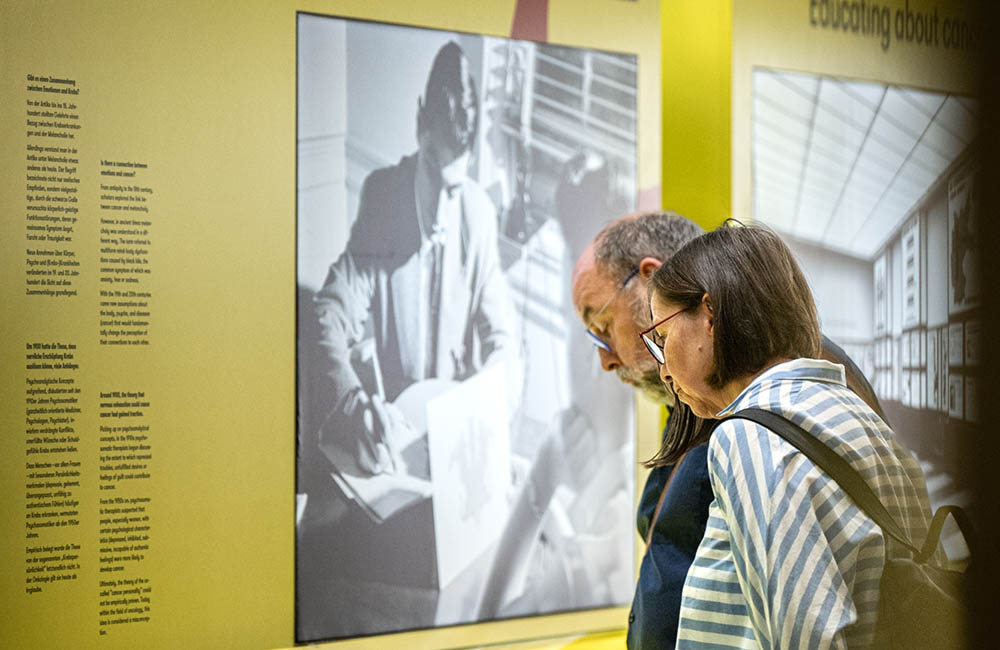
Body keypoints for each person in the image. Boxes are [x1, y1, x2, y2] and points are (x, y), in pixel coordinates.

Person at [571, 211, 887, 649]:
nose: (606, 360)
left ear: (707, 313)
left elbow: (809, 632)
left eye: (603, 328)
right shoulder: (724, 402)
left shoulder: (756, 426)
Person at [644, 223, 935, 648]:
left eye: (662, 337)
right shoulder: (856, 415)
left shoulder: (750, 435)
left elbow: (805, 637)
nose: (663, 370)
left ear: (709, 315)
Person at [312, 40, 513, 477]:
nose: (441, 213)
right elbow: (329, 313)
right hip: (391, 429)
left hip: (453, 440)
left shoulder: (479, 214)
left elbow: (505, 343)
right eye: (434, 178)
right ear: (419, 127)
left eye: (453, 189)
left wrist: (484, 405)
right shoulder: (382, 197)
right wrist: (352, 403)